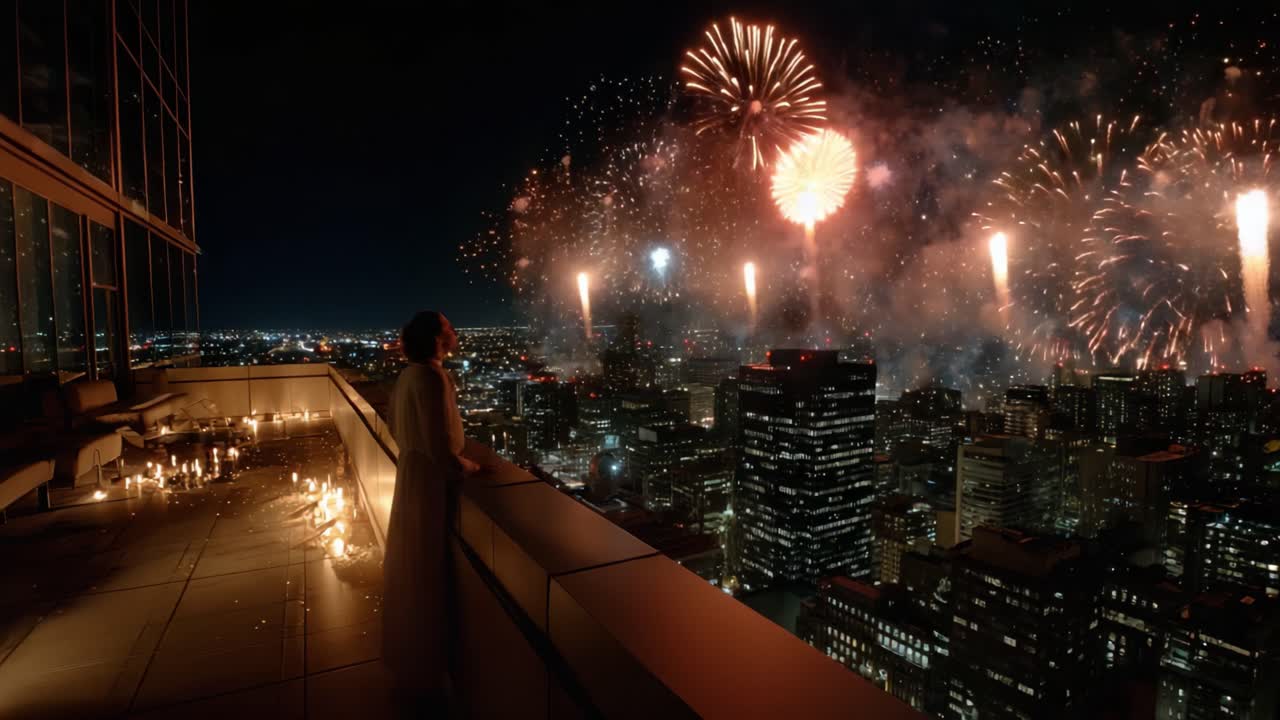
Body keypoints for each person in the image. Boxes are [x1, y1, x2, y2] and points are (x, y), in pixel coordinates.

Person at [382, 311, 480, 709]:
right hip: (430, 488)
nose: (455, 332)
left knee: (409, 565)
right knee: (427, 570)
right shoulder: (433, 378)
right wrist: (471, 466)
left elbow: (395, 429)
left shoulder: (408, 375)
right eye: (449, 328)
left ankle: (410, 661)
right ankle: (427, 671)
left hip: (411, 477)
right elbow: (444, 451)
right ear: (438, 341)